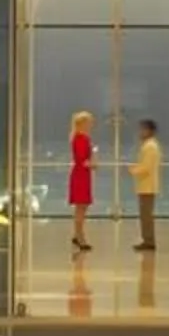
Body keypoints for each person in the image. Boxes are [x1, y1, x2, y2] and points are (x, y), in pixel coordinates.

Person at [130, 119, 163, 251]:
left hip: (147, 187)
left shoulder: (150, 146)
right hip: (146, 186)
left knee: (146, 215)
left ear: (149, 131)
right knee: (145, 215)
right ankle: (147, 239)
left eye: (142, 129)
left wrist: (133, 170)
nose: (140, 132)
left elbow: (146, 167)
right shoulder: (150, 145)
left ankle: (149, 241)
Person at [67, 108, 96, 252]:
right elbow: (81, 159)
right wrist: (92, 163)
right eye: (89, 123)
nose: (91, 126)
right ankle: (80, 237)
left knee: (82, 207)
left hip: (82, 175)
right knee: (81, 208)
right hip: (81, 175)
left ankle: (77, 235)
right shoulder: (80, 139)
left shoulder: (81, 138)